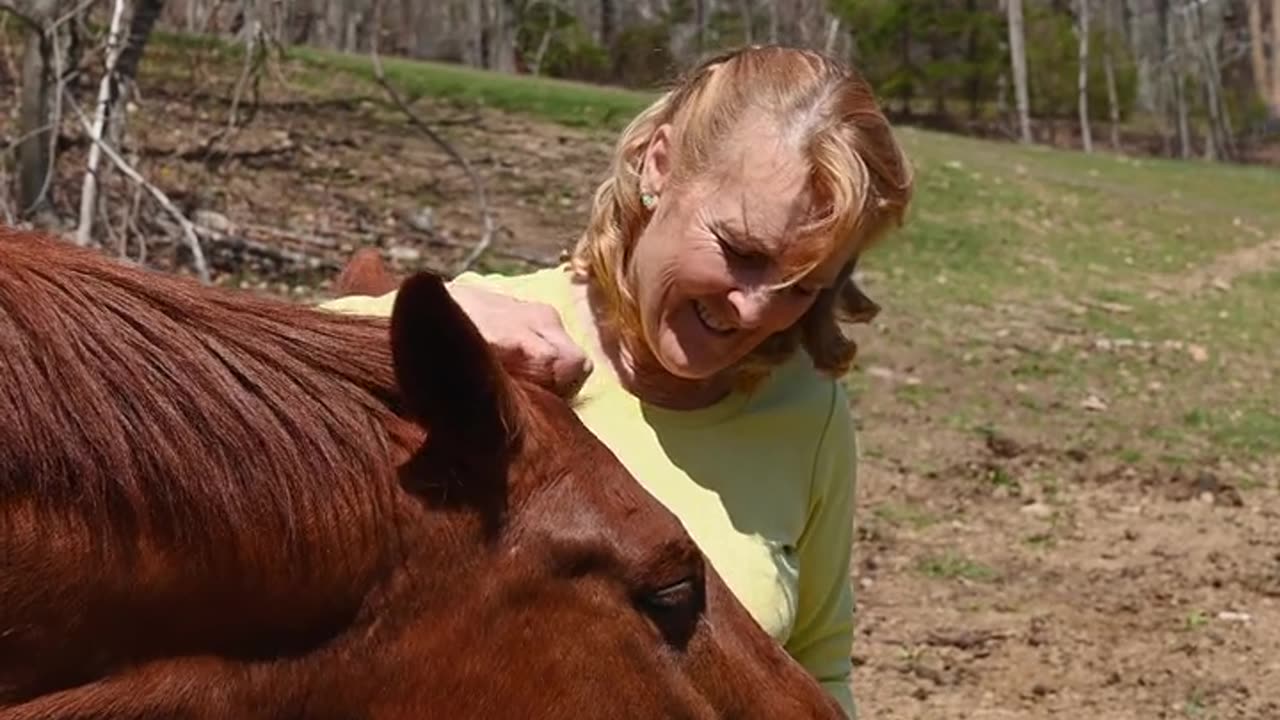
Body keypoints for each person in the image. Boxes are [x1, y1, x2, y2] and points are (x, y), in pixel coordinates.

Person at [322, 44, 913, 718]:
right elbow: (224, 388)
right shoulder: (489, 345)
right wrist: (395, 325)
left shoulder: (806, 412)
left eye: (802, 288)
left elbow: (817, 661)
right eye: (741, 252)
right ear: (658, 166)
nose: (754, 310)